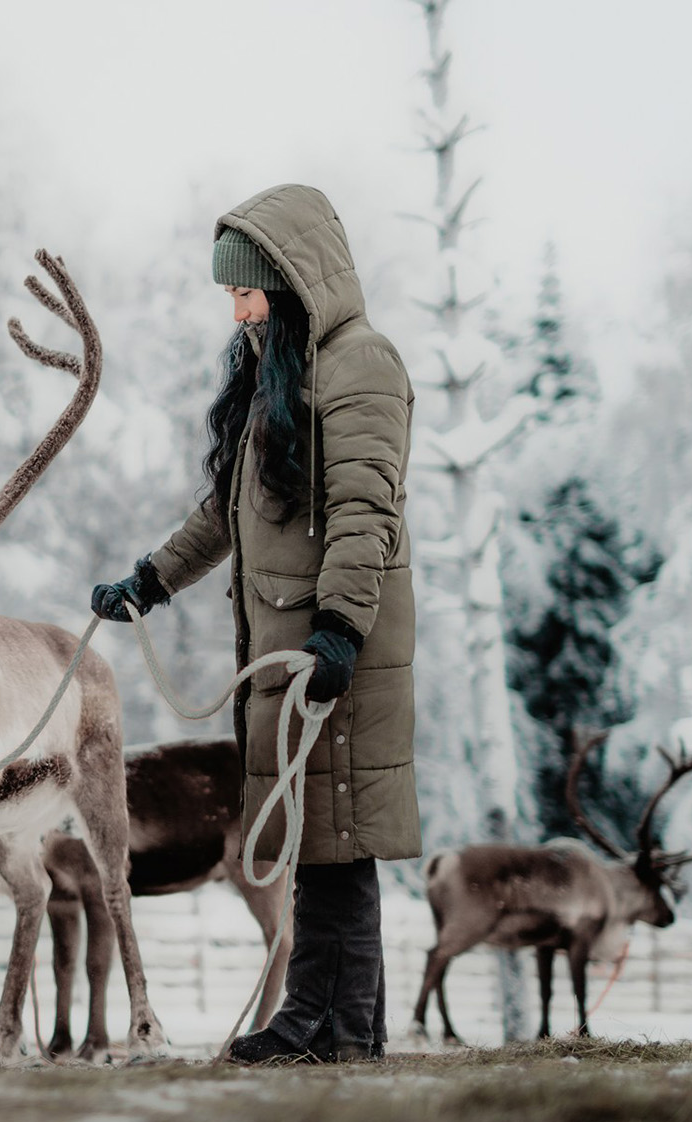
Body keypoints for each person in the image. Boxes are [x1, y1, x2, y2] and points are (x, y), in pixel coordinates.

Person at [92, 184, 419, 1064]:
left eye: (246, 292)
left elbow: (364, 510)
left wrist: (340, 627)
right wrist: (151, 581)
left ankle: (326, 1023)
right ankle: (339, 1024)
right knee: (316, 831)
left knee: (337, 833)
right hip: (289, 645)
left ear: (293, 280)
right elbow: (226, 512)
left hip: (334, 643)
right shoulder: (282, 370)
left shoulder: (362, 365)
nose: (237, 313)